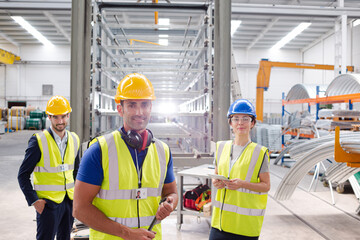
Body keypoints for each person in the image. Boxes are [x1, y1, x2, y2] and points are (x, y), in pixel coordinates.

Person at [73, 73, 178, 240]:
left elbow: (171, 192)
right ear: (120, 109)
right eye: (131, 105)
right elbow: (80, 209)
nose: (139, 112)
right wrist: (127, 233)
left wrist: (170, 203)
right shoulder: (99, 150)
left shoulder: (162, 150)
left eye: (145, 104)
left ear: (151, 107)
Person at [18, 95, 80, 240]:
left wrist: (77, 197)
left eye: (64, 116)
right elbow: (23, 174)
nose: (60, 121)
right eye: (56, 117)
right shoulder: (38, 141)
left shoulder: (74, 139)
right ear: (49, 117)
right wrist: (34, 201)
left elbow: (76, 171)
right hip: (48, 204)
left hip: (69, 202)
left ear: (68, 115)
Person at [209, 99, 270, 240]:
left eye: (245, 119)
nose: (240, 123)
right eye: (236, 118)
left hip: (245, 227)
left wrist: (242, 184)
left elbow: (266, 186)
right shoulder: (221, 147)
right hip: (220, 223)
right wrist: (215, 181)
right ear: (230, 123)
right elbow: (216, 174)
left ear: (252, 123)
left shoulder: (259, 153)